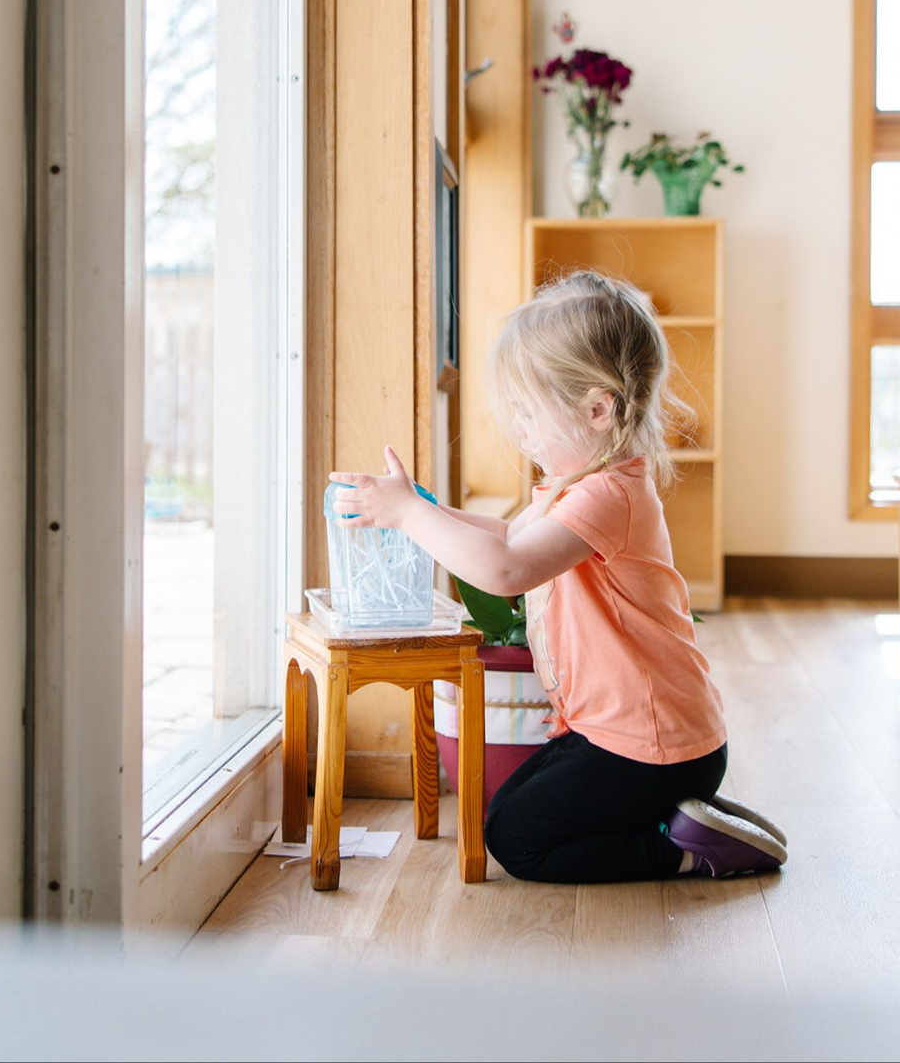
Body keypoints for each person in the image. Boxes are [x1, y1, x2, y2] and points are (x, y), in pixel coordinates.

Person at [328, 269, 786, 883]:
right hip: (632, 737)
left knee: (516, 840)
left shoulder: (608, 496)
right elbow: (510, 538)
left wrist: (409, 516)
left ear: (598, 409)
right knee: (512, 808)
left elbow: (506, 570)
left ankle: (688, 848)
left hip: (656, 749)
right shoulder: (574, 488)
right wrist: (421, 508)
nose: (519, 430)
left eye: (528, 414)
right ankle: (685, 816)